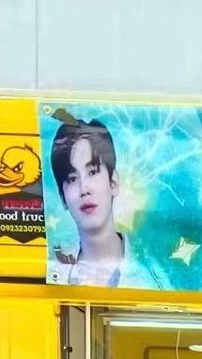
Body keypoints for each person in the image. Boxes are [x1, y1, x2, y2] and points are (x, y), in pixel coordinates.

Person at [48, 115, 164, 290]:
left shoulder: (153, 277)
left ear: (113, 182)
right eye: (72, 179)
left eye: (93, 172)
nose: (84, 188)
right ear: (62, 197)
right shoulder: (53, 272)